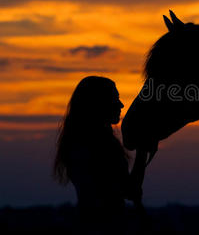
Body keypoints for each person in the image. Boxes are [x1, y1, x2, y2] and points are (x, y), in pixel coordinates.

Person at [53, 76, 148, 234]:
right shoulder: (92, 147)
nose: (121, 105)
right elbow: (130, 190)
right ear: (98, 104)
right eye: (115, 99)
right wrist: (143, 151)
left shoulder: (80, 144)